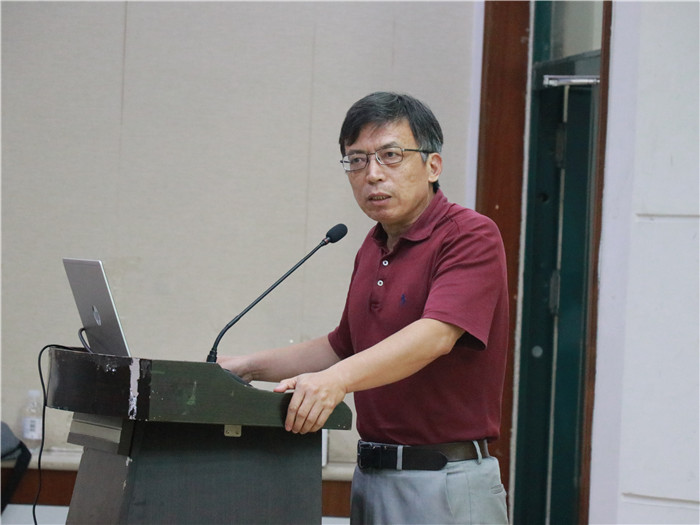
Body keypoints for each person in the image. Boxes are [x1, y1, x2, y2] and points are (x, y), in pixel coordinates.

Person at [218, 91, 509, 524]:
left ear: (433, 166)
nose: (372, 174)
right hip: (371, 477)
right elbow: (343, 347)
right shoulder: (373, 247)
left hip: (443, 480)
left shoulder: (469, 235)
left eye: (390, 156)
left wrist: (335, 382)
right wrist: (245, 368)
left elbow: (435, 336)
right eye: (356, 160)